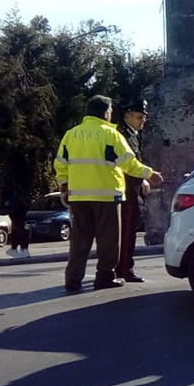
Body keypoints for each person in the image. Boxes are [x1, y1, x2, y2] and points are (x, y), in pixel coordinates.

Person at [54, 95, 163, 292]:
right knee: (109, 241)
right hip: (106, 196)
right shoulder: (111, 135)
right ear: (105, 113)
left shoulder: (71, 135)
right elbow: (129, 163)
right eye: (110, 111)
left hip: (78, 196)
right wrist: (149, 174)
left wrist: (64, 186)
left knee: (79, 241)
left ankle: (72, 279)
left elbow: (60, 164)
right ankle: (104, 277)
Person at [115, 94, 154, 282]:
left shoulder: (133, 134)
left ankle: (123, 267)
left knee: (129, 232)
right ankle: (124, 269)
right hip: (127, 191)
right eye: (139, 116)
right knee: (127, 233)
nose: (142, 120)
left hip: (132, 190)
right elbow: (129, 164)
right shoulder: (123, 135)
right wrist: (146, 176)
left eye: (144, 117)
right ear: (127, 116)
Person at [0, 151, 34, 259]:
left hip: (15, 200)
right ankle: (20, 248)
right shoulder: (25, 169)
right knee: (19, 224)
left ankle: (19, 248)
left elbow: (7, 185)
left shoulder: (11, 170)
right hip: (23, 200)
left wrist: (4, 199)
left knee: (17, 225)